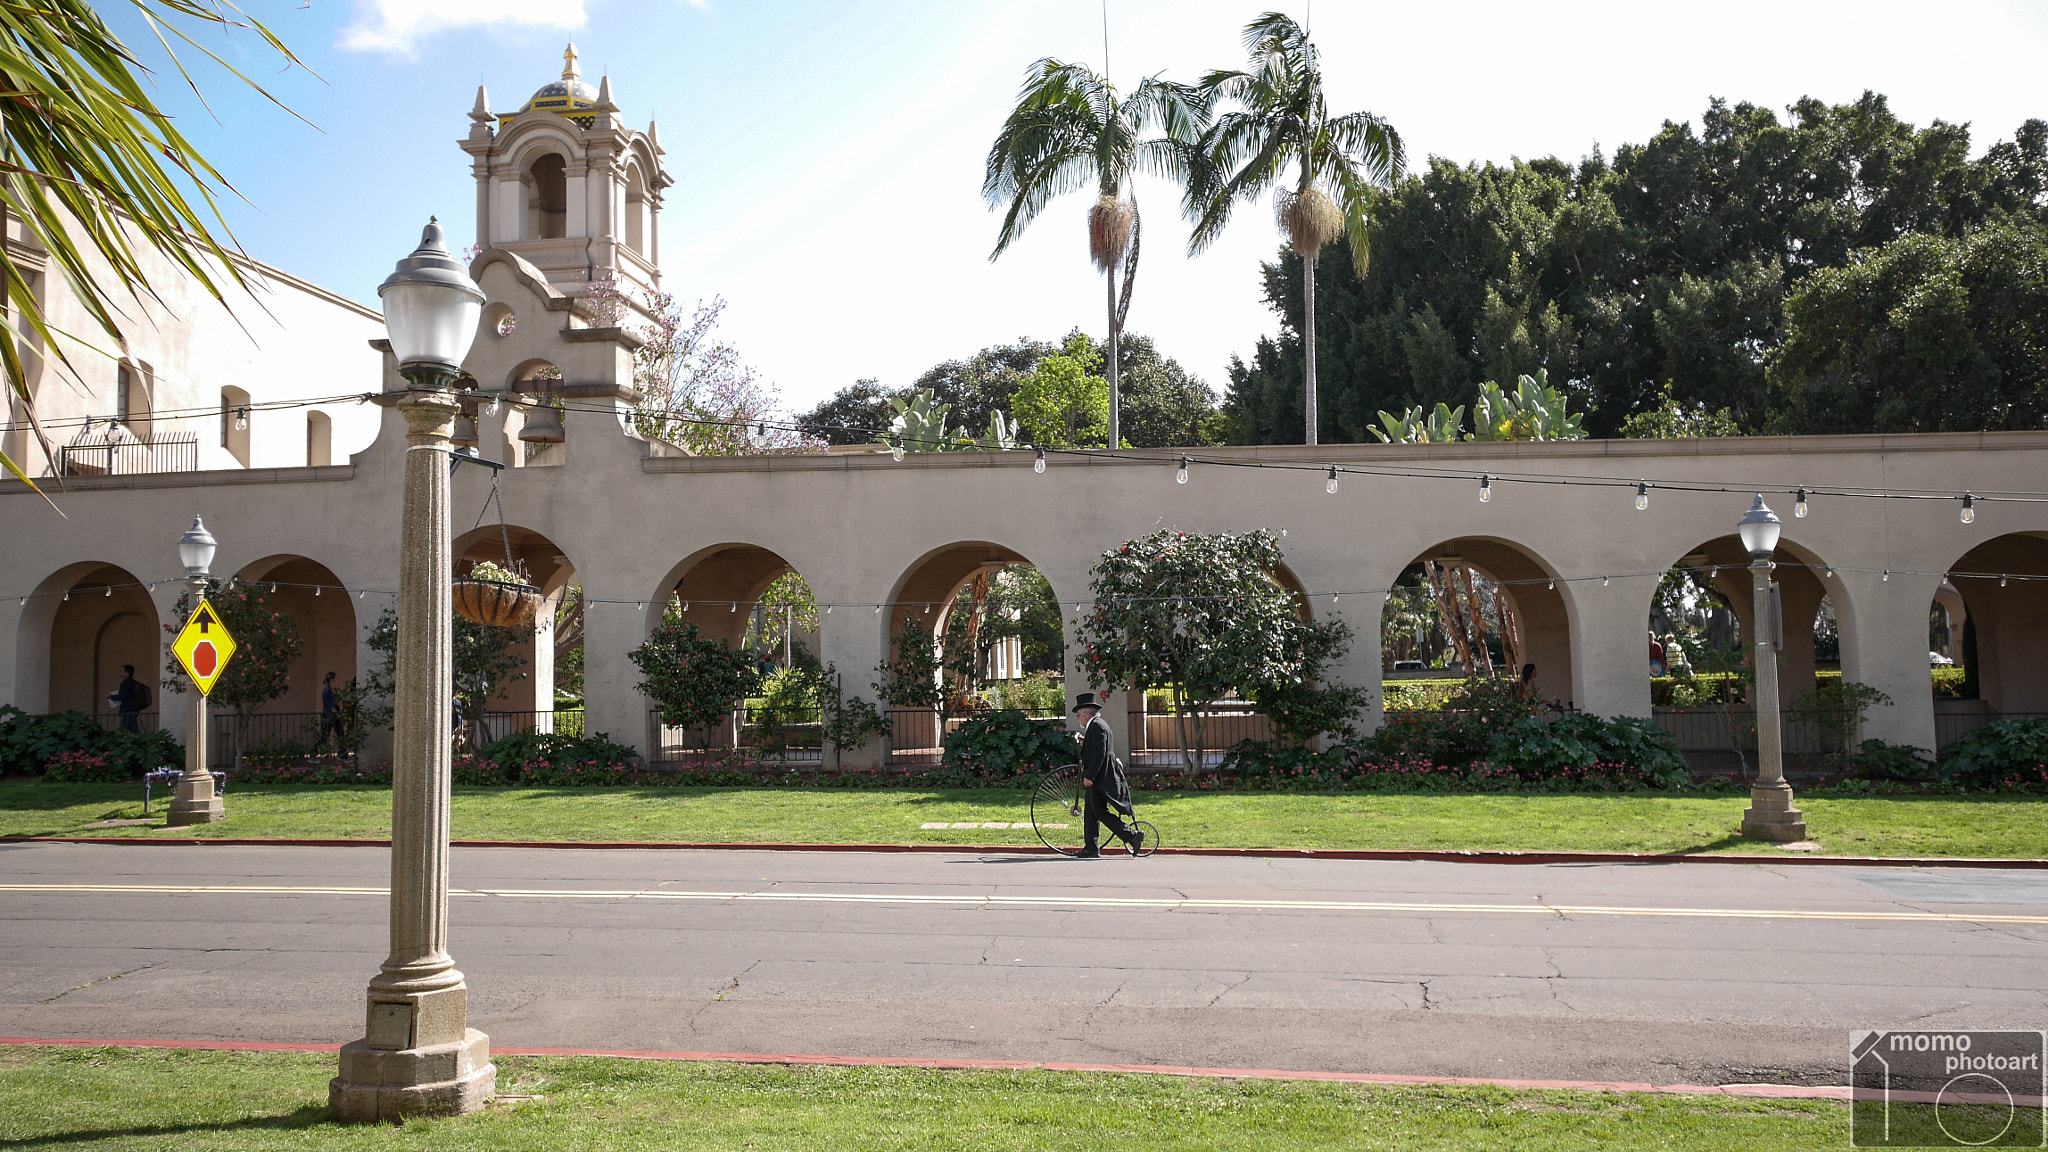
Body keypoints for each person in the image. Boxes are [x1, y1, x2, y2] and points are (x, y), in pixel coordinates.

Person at [1072, 691, 1141, 859]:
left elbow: (1100, 754)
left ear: (1086, 714)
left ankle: (1132, 835)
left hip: (1100, 778)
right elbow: (1097, 748)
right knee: (1090, 812)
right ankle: (1091, 848)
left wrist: (1090, 776)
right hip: (1099, 777)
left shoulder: (1097, 726)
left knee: (1099, 812)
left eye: (1079, 715)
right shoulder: (1097, 725)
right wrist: (1085, 741)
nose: (1078, 718)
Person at [107, 665, 148, 732]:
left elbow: (122, 696)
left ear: (127, 673)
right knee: (130, 729)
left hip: (128, 710)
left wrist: (111, 696)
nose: (120, 673)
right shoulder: (133, 683)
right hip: (133, 709)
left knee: (128, 730)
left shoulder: (125, 684)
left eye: (122, 672)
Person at [314, 672, 346, 755]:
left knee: (341, 734)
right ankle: (313, 753)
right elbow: (329, 705)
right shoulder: (327, 691)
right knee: (324, 737)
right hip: (329, 716)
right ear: (332, 680)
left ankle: (342, 754)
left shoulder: (333, 690)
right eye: (336, 678)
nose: (338, 679)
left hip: (334, 716)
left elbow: (336, 703)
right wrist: (338, 714)